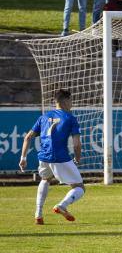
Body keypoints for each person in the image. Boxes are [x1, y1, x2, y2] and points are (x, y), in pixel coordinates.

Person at [18, 89, 85, 224]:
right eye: (71, 100)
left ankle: (38, 214)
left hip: (44, 157)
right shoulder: (70, 118)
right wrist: (77, 158)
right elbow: (77, 144)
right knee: (79, 187)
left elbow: (28, 137)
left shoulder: (44, 117)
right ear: (65, 101)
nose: (71, 104)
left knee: (45, 179)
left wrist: (23, 158)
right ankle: (62, 205)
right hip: (60, 158)